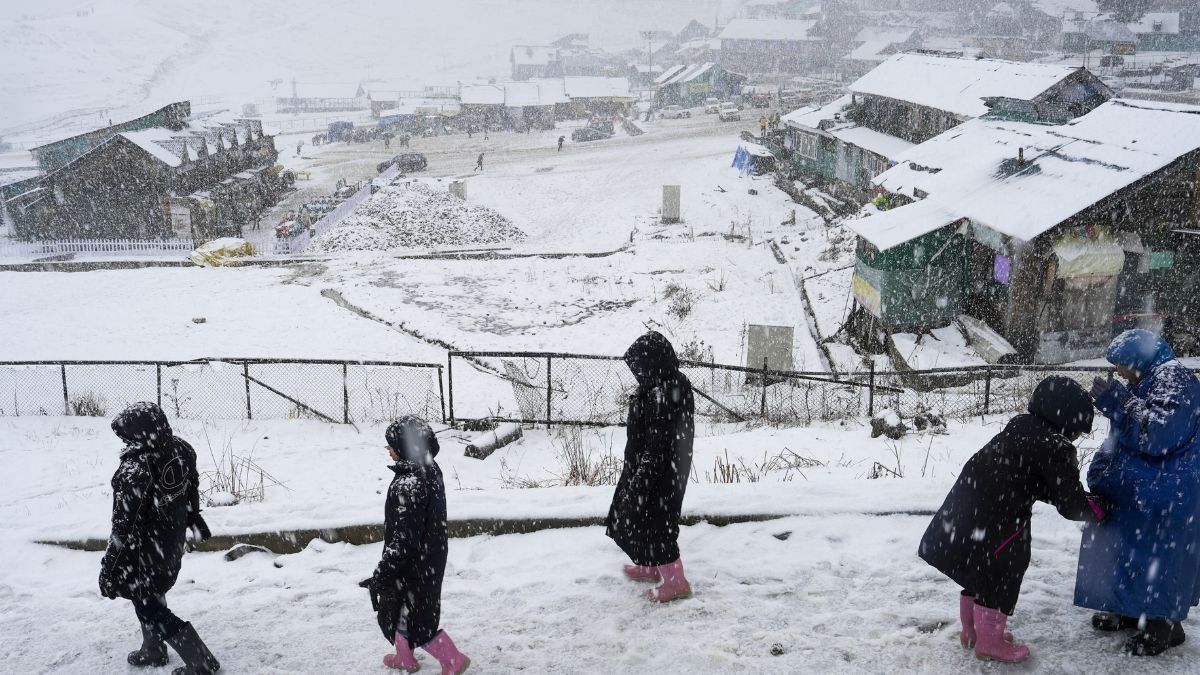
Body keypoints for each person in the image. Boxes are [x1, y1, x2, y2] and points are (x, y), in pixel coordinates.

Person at [917, 376, 1105, 663]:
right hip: (1000, 517)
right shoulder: (1056, 446)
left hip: (967, 506)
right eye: (1077, 431)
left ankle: (973, 632)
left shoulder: (1022, 425)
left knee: (975, 567)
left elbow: (1033, 477)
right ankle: (990, 644)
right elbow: (1070, 504)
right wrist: (1097, 510)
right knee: (1001, 572)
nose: (1076, 438)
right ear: (1067, 420)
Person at [1075, 329, 1200, 656]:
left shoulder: (1175, 380)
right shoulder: (1151, 379)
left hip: (1164, 493)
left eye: (1121, 365)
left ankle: (1163, 626)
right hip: (1143, 488)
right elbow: (1126, 433)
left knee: (1156, 557)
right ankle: (1130, 610)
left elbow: (1158, 432)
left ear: (1138, 359)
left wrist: (1117, 401)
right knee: (1125, 550)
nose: (1119, 372)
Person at [99, 403, 220, 675]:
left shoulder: (135, 471)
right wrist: (192, 517)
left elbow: (123, 529)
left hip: (143, 552)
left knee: (149, 607)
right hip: (170, 542)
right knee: (152, 594)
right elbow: (191, 488)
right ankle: (153, 650)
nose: (125, 442)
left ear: (141, 436)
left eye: (127, 437)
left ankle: (202, 662)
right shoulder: (180, 449)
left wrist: (109, 569)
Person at [361, 417, 469, 674]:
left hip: (414, 563)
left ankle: (453, 659)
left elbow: (404, 540)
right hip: (429, 556)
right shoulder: (429, 468)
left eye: (392, 445)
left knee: (416, 618)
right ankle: (405, 658)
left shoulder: (409, 483)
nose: (388, 449)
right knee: (402, 610)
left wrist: (383, 573)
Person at [606, 331, 695, 603]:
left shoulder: (666, 392)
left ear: (653, 363)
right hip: (645, 465)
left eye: (640, 367)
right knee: (637, 518)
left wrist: (642, 480)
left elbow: (659, 445)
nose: (637, 373)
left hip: (661, 471)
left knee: (658, 523)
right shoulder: (658, 384)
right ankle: (649, 564)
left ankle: (676, 583)